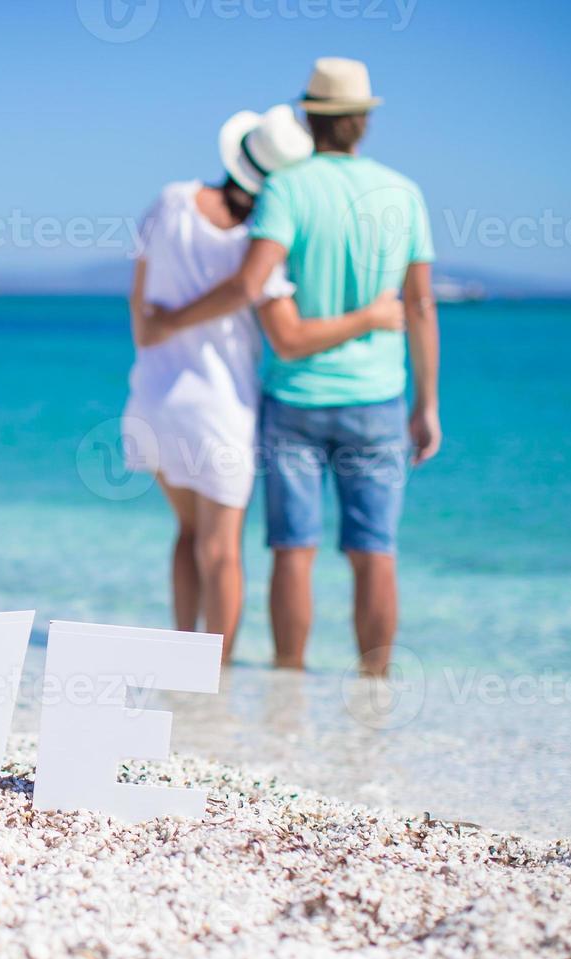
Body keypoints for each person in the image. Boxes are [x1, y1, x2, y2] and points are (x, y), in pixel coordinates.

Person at [143, 58, 440, 676]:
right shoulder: (405, 193)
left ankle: (289, 683)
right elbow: (419, 306)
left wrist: (167, 321)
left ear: (311, 119)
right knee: (376, 553)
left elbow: (253, 283)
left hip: (295, 397)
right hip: (378, 395)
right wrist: (427, 403)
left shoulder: (287, 189)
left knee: (293, 552)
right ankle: (375, 687)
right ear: (363, 123)